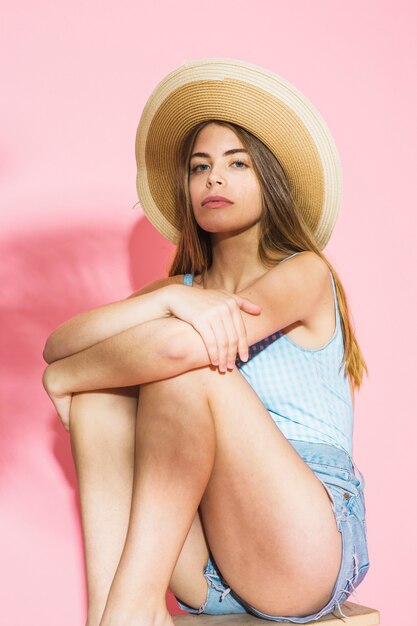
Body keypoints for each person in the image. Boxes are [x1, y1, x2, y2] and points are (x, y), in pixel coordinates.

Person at [42, 58, 370, 626]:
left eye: (237, 163)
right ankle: (109, 612)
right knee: (103, 402)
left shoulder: (306, 272)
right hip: (208, 566)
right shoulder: (183, 294)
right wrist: (163, 299)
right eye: (200, 167)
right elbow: (57, 342)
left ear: (269, 180)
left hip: (306, 544)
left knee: (189, 369)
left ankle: (133, 608)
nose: (214, 179)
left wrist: (64, 378)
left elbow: (173, 355)